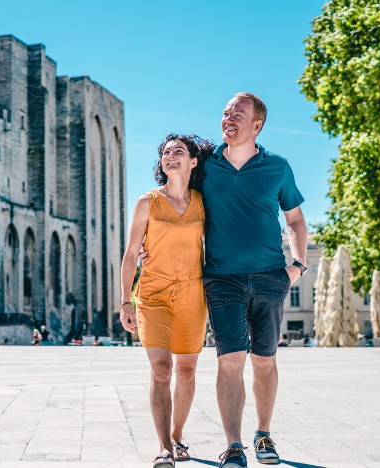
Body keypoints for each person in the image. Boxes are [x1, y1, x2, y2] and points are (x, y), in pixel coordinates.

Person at [203, 93, 307, 467]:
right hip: (221, 279)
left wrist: (298, 265)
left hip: (269, 277)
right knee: (229, 360)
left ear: (257, 125)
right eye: (225, 111)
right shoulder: (205, 166)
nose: (228, 118)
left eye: (238, 114)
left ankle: (263, 434)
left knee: (264, 360)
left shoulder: (277, 167)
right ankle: (233, 444)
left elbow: (294, 219)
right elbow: (177, 204)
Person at [120, 133, 215, 468]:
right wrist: (124, 302)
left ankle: (177, 436)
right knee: (162, 368)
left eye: (179, 151)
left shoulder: (203, 202)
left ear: (192, 162)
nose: (170, 155)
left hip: (193, 293)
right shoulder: (147, 202)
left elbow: (216, 246)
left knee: (187, 370)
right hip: (153, 294)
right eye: (165, 152)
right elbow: (132, 253)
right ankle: (164, 447)